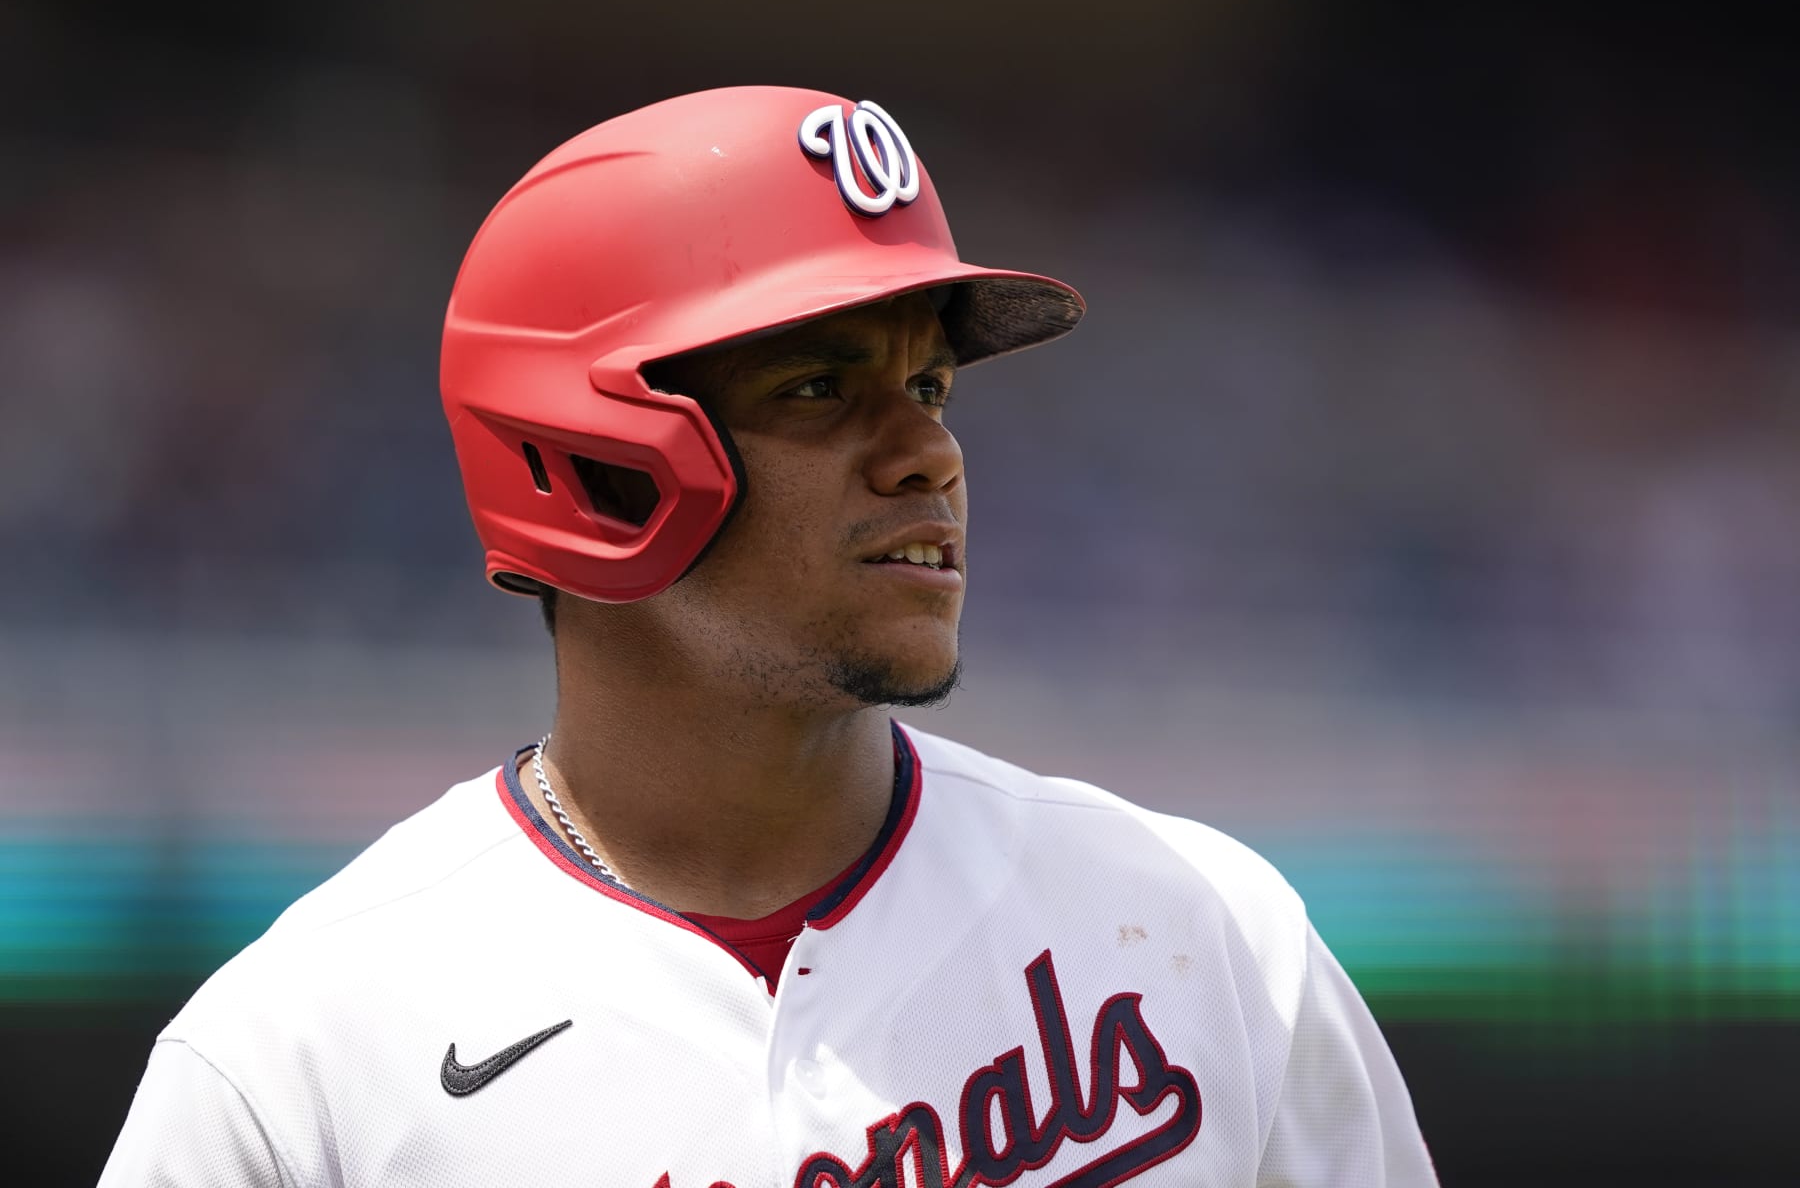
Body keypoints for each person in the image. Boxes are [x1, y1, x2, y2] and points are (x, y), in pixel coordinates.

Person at [101, 86, 1437, 1187]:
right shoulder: (303, 1061)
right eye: (817, 387)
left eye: (928, 385)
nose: (929, 454)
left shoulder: (1204, 935)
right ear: (589, 462)